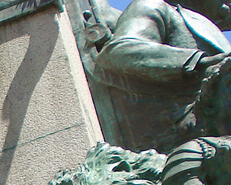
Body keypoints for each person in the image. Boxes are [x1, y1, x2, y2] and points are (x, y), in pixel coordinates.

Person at [94, 0, 230, 149]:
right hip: (184, 135)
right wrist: (198, 61)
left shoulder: (213, 31)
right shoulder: (154, 6)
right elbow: (117, 52)